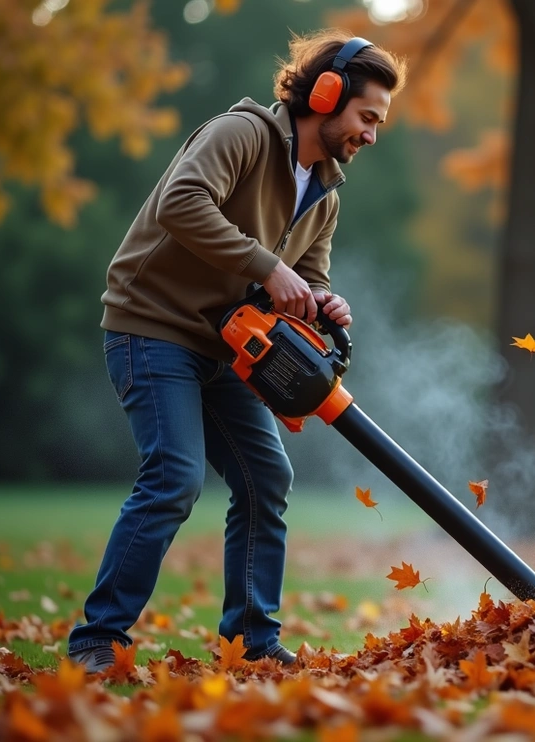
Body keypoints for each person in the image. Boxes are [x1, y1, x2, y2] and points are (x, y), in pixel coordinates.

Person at [67, 31, 406, 672]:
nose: (371, 133)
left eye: (378, 123)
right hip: (152, 326)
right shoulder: (242, 133)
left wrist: (324, 304)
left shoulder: (325, 193)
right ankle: (95, 642)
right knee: (173, 475)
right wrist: (267, 267)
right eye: (367, 117)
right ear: (326, 93)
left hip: (223, 347)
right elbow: (180, 202)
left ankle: (249, 644)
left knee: (267, 476)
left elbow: (308, 276)